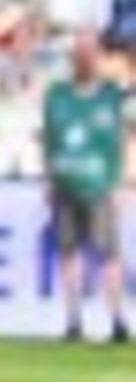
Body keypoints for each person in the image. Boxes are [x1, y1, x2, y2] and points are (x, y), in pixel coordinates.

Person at [39, 33, 126, 346]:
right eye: (78, 54)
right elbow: (48, 139)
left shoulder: (111, 96)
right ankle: (73, 318)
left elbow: (122, 140)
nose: (83, 60)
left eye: (88, 54)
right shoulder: (57, 95)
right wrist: (47, 177)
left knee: (108, 252)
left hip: (100, 183)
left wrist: (121, 181)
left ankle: (117, 317)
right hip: (65, 183)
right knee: (68, 251)